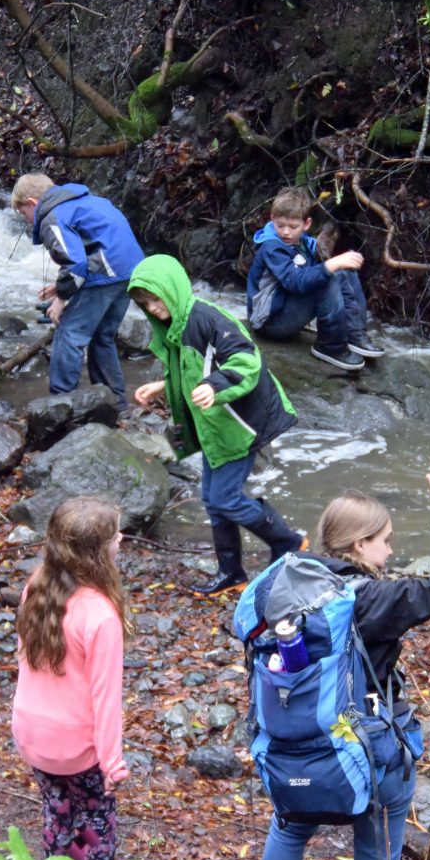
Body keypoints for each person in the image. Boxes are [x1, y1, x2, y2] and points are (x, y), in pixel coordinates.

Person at [203, 449, 430, 860]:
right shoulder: (371, 600)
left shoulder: (288, 584)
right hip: (370, 762)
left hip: (302, 748)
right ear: (358, 546)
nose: (391, 551)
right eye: (385, 541)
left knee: (291, 825)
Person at [12, 497, 153, 860]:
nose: (122, 540)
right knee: (96, 830)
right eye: (116, 535)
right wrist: (112, 763)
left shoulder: (37, 586)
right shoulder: (99, 615)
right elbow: (105, 699)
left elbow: (25, 663)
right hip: (77, 747)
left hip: (34, 736)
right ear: (97, 552)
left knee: (58, 818)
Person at [129, 254, 307, 597]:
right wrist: (163, 386)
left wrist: (215, 386)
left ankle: (288, 541)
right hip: (214, 427)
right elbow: (189, 369)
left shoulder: (208, 319)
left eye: (156, 299)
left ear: (174, 289)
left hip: (241, 422)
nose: (152, 308)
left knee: (224, 499)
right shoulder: (175, 326)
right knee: (213, 499)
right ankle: (231, 571)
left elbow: (245, 359)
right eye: (144, 304)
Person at [11, 173, 144, 408]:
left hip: (107, 271)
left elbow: (76, 264)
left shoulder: (52, 216)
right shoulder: (87, 201)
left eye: (24, 214)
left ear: (33, 203)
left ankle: (60, 403)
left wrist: (61, 299)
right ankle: (116, 403)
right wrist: (60, 286)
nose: (28, 221)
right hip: (132, 270)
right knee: (102, 337)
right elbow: (90, 252)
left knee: (69, 334)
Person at [246, 186, 384, 373]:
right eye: (280, 225)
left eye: (293, 227)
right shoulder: (272, 247)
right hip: (269, 322)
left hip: (287, 309)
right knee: (328, 277)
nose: (286, 232)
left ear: (306, 224)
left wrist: (340, 262)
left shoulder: (304, 243)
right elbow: (296, 282)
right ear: (272, 220)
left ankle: (355, 333)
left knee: (342, 270)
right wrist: (330, 265)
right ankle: (329, 346)